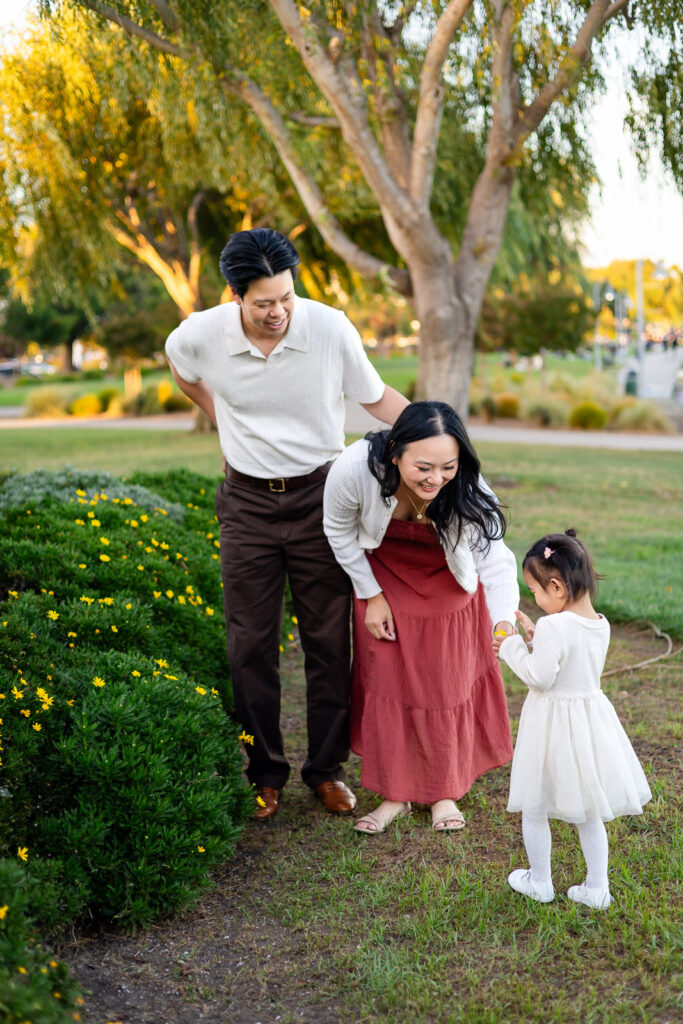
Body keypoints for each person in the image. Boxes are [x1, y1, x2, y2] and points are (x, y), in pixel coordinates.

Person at [165, 227, 408, 821]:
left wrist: (440, 435)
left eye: (287, 298)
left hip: (323, 499)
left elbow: (376, 400)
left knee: (329, 643)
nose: (278, 312)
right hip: (246, 505)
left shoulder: (328, 327)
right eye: (264, 302)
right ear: (235, 295)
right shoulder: (200, 334)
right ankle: (264, 773)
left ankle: (325, 772)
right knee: (250, 645)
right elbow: (180, 367)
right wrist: (222, 420)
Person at [322, 401, 519, 834]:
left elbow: (495, 559)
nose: (436, 479)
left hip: (446, 578)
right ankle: (395, 795)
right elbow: (337, 530)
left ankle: (443, 790)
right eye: (424, 467)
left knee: (444, 683)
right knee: (388, 681)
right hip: (384, 575)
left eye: (448, 466)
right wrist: (370, 595)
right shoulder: (353, 469)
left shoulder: (466, 485)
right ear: (396, 453)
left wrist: (502, 622)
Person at [494, 530, 651, 909]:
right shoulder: (600, 623)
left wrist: (513, 647)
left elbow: (541, 677)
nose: (534, 598)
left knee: (534, 805)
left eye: (535, 591)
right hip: (587, 723)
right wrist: (536, 638)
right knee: (588, 809)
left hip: (550, 726)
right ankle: (597, 887)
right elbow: (568, 661)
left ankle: (540, 881)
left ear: (556, 586)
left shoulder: (554, 626)